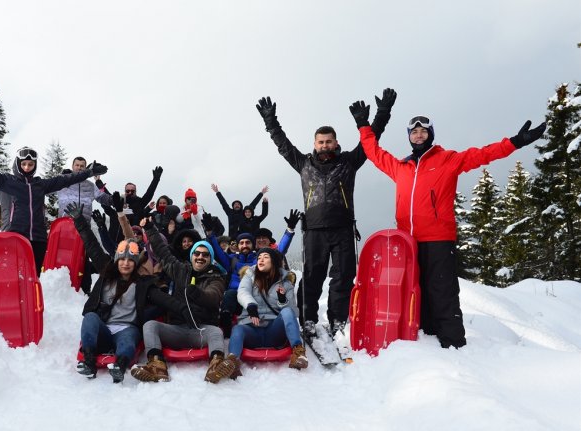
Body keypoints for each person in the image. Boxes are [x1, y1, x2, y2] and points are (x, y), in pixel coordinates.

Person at [348, 100, 546, 349]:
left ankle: (453, 345)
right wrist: (363, 125)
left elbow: (483, 154)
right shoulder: (402, 166)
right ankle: (424, 340)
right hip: (407, 243)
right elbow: (374, 152)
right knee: (412, 292)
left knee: (442, 293)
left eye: (423, 131)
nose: (419, 135)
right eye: (414, 132)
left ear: (430, 134)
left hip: (438, 239)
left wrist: (515, 142)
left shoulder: (447, 160)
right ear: (409, 136)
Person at [255, 89, 396, 339]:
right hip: (314, 230)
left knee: (343, 277)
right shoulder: (303, 163)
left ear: (336, 142)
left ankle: (338, 320)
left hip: (342, 229)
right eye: (320, 142)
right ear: (314, 144)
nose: (324, 145)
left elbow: (370, 142)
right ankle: (308, 320)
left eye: (328, 141)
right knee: (311, 277)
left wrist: (381, 113)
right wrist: (270, 122)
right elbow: (283, 145)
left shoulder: (349, 162)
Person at [0, 144, 107, 274]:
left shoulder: (41, 185)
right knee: (16, 274)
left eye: (30, 164)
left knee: (34, 277)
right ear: (18, 164)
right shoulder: (7, 181)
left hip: (39, 240)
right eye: (24, 164)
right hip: (17, 237)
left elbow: (67, 179)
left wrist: (89, 172)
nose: (27, 167)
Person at [131, 217, 231, 384]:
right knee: (150, 325)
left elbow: (213, 297)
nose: (200, 257)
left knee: (216, 332)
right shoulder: (180, 270)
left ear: (210, 258)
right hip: (177, 328)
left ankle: (216, 365)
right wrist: (149, 228)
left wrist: (196, 293)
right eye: (197, 254)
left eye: (205, 255)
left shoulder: (216, 277)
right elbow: (162, 252)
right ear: (192, 256)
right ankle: (157, 365)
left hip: (200, 329)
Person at [67, 202, 157, 383]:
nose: (125, 263)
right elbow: (92, 247)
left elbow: (162, 301)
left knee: (128, 338)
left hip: (127, 328)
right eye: (122, 260)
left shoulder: (142, 283)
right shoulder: (107, 274)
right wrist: (79, 221)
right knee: (90, 317)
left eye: (130, 261)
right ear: (116, 261)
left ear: (135, 264)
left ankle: (120, 366)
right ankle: (89, 361)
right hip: (105, 328)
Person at [217, 248, 307, 377]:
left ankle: (298, 353)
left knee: (287, 311)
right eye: (259, 258)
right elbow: (242, 292)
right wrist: (251, 306)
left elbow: (292, 313)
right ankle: (232, 361)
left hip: (275, 332)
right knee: (237, 329)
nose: (261, 260)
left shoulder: (286, 283)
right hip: (252, 328)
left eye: (265, 257)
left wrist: (282, 300)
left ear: (274, 262)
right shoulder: (249, 276)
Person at [56, 156, 109, 293]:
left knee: (84, 258)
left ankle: (85, 290)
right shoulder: (62, 182)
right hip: (65, 228)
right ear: (72, 166)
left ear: (85, 168)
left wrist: (114, 199)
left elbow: (102, 198)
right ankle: (60, 288)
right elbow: (44, 189)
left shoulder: (90, 186)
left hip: (83, 229)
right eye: (77, 165)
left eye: (82, 166)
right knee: (63, 258)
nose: (79, 168)